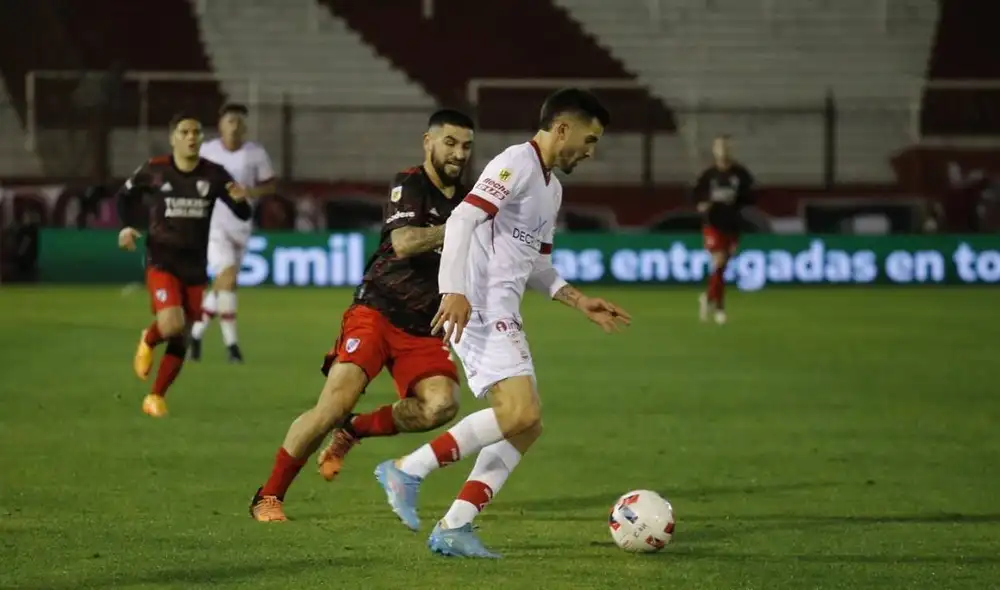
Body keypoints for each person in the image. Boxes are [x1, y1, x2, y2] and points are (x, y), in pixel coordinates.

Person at [373, 88, 631, 558]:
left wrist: (577, 300)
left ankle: (455, 525)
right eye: (589, 140)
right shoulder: (516, 161)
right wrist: (453, 290)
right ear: (563, 129)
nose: (591, 152)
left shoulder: (551, 187)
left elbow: (535, 264)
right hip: (478, 305)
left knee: (526, 426)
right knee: (520, 414)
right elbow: (463, 220)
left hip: (504, 309)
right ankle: (408, 470)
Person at [248, 109, 477, 522]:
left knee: (442, 406)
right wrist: (462, 226)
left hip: (424, 325)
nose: (459, 154)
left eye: (466, 146)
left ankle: (354, 430)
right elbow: (405, 243)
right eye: (450, 143)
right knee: (333, 403)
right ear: (428, 142)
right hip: (377, 308)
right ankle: (268, 495)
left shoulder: (470, 199)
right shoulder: (411, 184)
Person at [116, 113, 250, 418]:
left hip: (194, 266)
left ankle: (155, 396)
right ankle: (149, 338)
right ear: (173, 138)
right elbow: (124, 197)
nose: (191, 137)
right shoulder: (156, 169)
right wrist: (127, 226)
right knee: (172, 325)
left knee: (182, 337)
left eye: (196, 132)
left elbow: (242, 212)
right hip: (161, 259)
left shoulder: (215, 174)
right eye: (185, 131)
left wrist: (242, 201)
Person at [189, 103, 276, 363]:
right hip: (214, 224)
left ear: (244, 126)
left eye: (239, 121)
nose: (234, 126)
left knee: (225, 285)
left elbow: (270, 186)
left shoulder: (255, 153)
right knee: (226, 278)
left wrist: (250, 192)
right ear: (221, 125)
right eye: (230, 121)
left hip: (242, 224)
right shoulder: (208, 151)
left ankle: (194, 335)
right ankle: (232, 346)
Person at [691, 135, 754, 325]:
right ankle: (719, 308)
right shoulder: (708, 175)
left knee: (722, 268)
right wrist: (701, 205)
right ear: (714, 150)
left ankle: (709, 298)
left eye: (726, 146)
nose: (723, 150)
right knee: (718, 262)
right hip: (713, 224)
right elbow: (695, 196)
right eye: (719, 147)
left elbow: (750, 197)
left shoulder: (740, 174)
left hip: (732, 225)